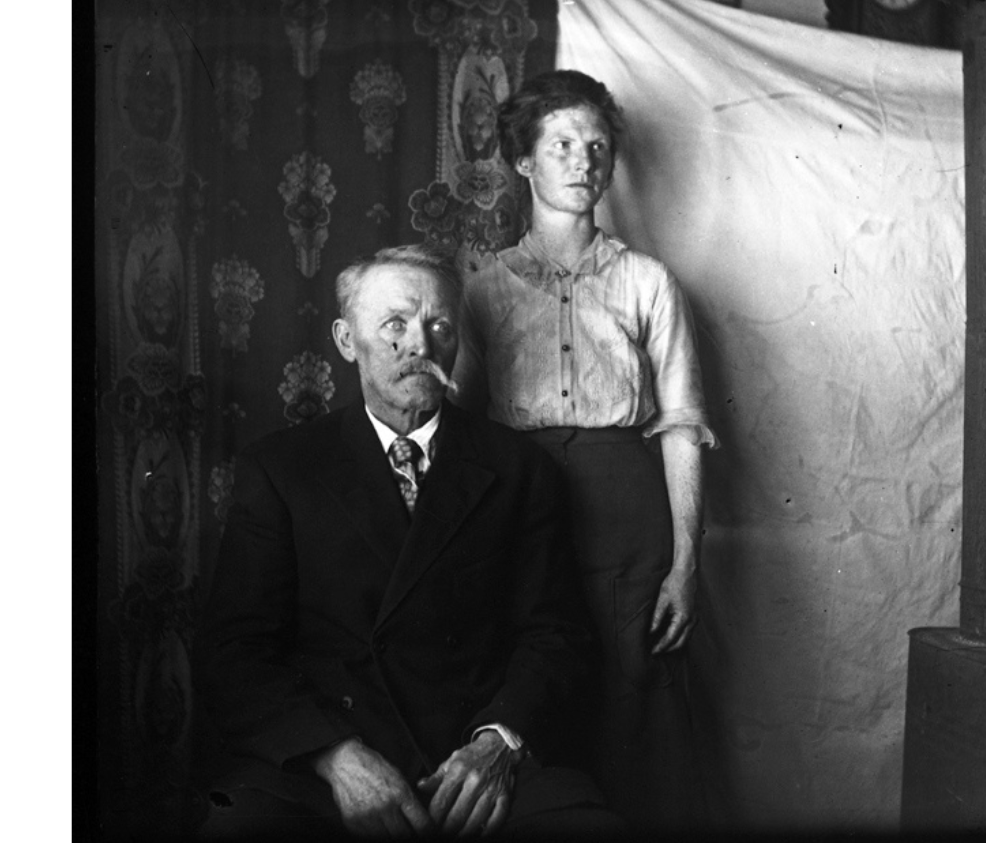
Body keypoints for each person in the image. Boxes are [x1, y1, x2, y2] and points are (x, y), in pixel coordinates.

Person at [195, 244, 626, 838]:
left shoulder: (518, 469)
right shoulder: (282, 469)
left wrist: (498, 743)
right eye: (395, 324)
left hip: (470, 764)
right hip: (329, 764)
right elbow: (234, 652)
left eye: (438, 325)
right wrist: (334, 757)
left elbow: (556, 637)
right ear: (348, 341)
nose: (420, 344)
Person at [452, 69, 719, 828]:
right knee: (530, 682)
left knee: (637, 688)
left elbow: (681, 424)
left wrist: (686, 564)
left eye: (597, 146)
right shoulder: (485, 290)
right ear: (526, 162)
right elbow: (462, 431)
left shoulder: (647, 282)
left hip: (627, 513)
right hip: (519, 506)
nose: (583, 160)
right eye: (562, 143)